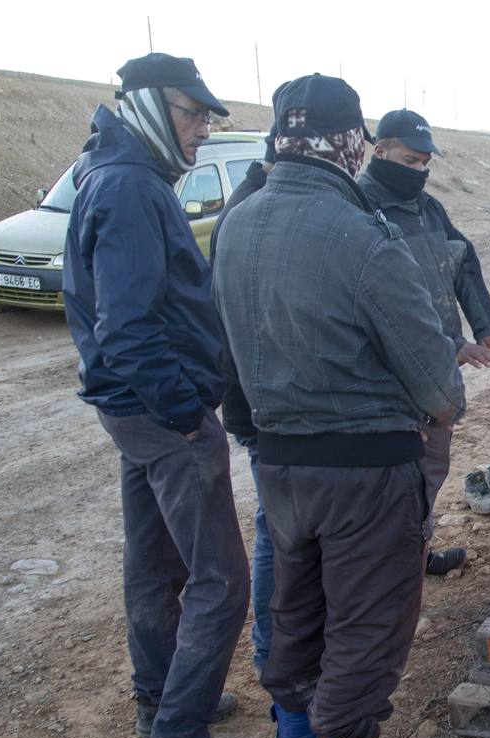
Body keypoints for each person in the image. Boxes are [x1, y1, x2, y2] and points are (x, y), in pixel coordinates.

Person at [212, 74, 464, 738]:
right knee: (366, 625)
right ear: (353, 143)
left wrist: (259, 436)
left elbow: (227, 360)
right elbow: (440, 389)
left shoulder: (236, 224)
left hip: (279, 466)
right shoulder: (363, 238)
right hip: (366, 472)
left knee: (296, 608)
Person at [62, 52, 256, 738]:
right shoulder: (129, 186)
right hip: (159, 412)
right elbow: (128, 325)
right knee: (221, 579)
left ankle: (158, 698)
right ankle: (177, 736)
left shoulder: (116, 172)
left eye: (206, 116)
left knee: (154, 562)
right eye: (191, 112)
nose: (202, 128)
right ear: (147, 105)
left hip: (130, 408)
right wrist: (184, 412)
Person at [357, 108, 490, 572]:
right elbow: (385, 304)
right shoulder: (361, 210)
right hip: (389, 379)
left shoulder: (429, 209)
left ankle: (415, 554)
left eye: (425, 163)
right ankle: (390, 570)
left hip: (436, 375)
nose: (419, 172)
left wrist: (486, 327)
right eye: (409, 161)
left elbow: (463, 260)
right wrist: (451, 342)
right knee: (393, 481)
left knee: (432, 467)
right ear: (379, 150)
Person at [209, 123, 276, 675]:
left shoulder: (254, 203)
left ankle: (275, 651)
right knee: (277, 530)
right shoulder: (251, 212)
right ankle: (270, 654)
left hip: (258, 403)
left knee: (280, 527)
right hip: (261, 408)